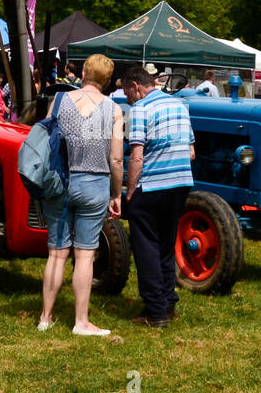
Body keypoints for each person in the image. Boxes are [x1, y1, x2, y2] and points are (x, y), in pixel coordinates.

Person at [38, 54, 124, 338]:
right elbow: (116, 158)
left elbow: (46, 140)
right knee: (84, 256)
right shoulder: (114, 109)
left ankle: (45, 317)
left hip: (60, 182)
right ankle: (81, 321)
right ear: (109, 81)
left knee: (56, 253)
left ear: (84, 73)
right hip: (94, 184)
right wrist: (116, 194)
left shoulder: (60, 101)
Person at [121, 66, 195, 329]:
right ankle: (168, 302)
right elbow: (191, 153)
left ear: (136, 86)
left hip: (153, 185)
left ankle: (155, 312)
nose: (126, 97)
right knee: (166, 243)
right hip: (181, 183)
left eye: (126, 91)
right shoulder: (179, 105)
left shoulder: (139, 109)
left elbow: (137, 156)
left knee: (146, 248)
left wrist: (130, 192)